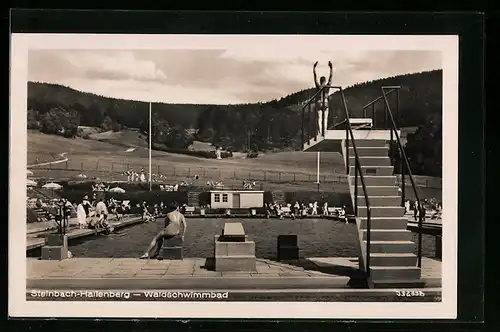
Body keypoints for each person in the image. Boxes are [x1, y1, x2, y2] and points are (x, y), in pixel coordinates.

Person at [313, 61, 333, 136]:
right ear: (325, 81)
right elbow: (331, 78)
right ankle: (324, 132)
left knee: (319, 119)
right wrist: (331, 68)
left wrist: (314, 68)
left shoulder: (319, 87)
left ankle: (320, 132)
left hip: (319, 103)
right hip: (325, 102)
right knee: (325, 119)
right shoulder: (327, 87)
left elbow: (315, 78)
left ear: (321, 81)